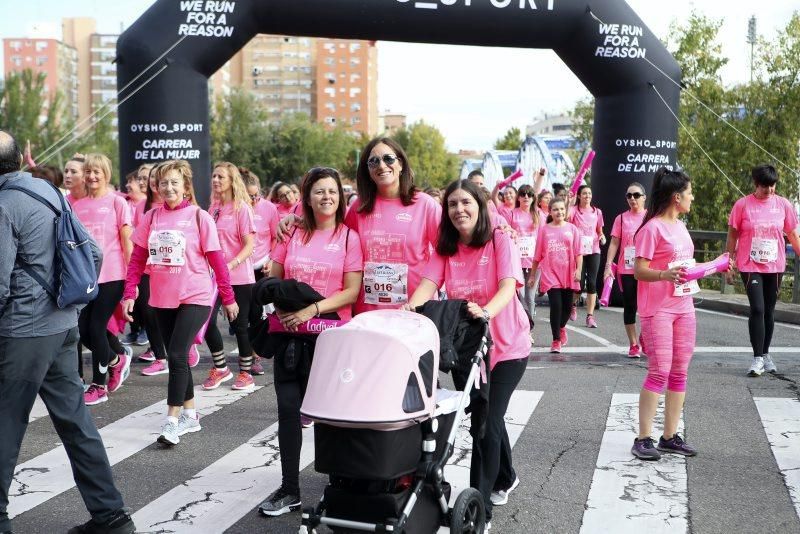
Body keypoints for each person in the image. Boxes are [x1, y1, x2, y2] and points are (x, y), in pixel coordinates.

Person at [0, 130, 136, 534]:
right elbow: (92, 252)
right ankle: (111, 515)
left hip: (23, 331)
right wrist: (68, 305)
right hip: (62, 325)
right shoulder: (49, 192)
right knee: (76, 424)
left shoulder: (4, 205)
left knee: (5, 425)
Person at [406, 179, 530, 530]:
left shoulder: (499, 239)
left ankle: (479, 509)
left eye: (466, 202)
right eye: (452, 204)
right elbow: (429, 285)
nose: (459, 209)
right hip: (468, 347)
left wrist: (487, 310)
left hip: (507, 346)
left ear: (480, 205)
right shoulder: (445, 248)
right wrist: (410, 307)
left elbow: (508, 285)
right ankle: (505, 476)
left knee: (485, 423)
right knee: (486, 416)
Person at [257, 167, 363, 517]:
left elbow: (351, 291)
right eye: (319, 191)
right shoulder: (292, 232)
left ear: (341, 197)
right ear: (308, 197)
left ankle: (338, 488)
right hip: (288, 336)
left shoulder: (349, 237)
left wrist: (311, 310)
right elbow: (273, 279)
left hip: (331, 339)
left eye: (332, 191)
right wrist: (288, 306)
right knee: (288, 413)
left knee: (332, 418)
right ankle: (290, 490)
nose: (326, 197)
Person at [122, 160, 239, 446]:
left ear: (185, 186)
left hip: (195, 295)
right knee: (180, 356)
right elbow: (137, 259)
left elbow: (217, 262)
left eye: (174, 182)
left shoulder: (199, 217)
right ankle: (191, 415)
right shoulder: (151, 217)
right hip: (162, 298)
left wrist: (228, 297)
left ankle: (171, 421)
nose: (168, 188)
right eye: (163, 183)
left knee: (175, 355)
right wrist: (129, 293)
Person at [631, 168, 698, 461]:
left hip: (684, 307)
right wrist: (664, 274)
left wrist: (718, 266)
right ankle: (643, 438)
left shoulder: (681, 227)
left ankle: (669, 437)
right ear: (677, 196)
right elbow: (638, 270)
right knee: (659, 371)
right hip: (657, 310)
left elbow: (685, 268)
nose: (692, 197)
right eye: (690, 192)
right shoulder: (651, 229)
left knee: (680, 371)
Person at [726, 164, 800, 376]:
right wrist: (727, 263)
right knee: (757, 308)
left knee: (768, 310)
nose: (770, 190)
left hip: (775, 265)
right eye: (765, 186)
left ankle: (766, 354)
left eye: (773, 185)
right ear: (755, 184)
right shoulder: (742, 205)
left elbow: (792, 235)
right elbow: (732, 235)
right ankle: (757, 358)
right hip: (750, 263)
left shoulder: (783, 205)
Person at [72, 153, 134, 405]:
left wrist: (133, 282)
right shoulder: (77, 206)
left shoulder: (118, 203)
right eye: (88, 171)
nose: (92, 176)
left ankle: (98, 385)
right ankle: (116, 359)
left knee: (97, 327)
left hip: (113, 274)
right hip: (85, 277)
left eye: (97, 171)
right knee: (83, 331)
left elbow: (127, 243)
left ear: (106, 174)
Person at [202, 162, 260, 390]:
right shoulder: (212, 209)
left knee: (239, 325)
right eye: (214, 176)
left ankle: (246, 372)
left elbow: (249, 245)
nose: (215, 180)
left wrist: (231, 263)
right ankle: (220, 367)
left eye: (220, 177)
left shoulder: (242, 209)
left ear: (231, 181)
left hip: (239, 278)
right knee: (205, 322)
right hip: (213, 278)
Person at [528, 198, 582, 353]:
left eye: (562, 209)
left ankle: (562, 327)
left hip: (568, 272)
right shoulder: (544, 230)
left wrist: (578, 270)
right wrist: (532, 276)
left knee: (566, 306)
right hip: (551, 274)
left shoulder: (572, 229)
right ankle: (556, 340)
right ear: (550, 211)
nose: (559, 212)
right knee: (556, 306)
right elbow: (537, 256)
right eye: (556, 209)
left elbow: (579, 252)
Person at [605, 183, 647, 357]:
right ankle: (634, 343)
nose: (632, 199)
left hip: (646, 269)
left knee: (647, 307)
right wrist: (608, 265)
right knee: (630, 306)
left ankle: (645, 337)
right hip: (627, 269)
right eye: (629, 196)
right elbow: (614, 242)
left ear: (644, 197)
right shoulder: (621, 218)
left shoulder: (650, 217)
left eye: (636, 195)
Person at [501, 183, 541, 337]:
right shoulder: (512, 214)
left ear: (533, 198)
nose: (526, 197)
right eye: (523, 194)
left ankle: (528, 331)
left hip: (534, 262)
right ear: (518, 197)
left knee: (531, 297)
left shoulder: (538, 214)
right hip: (516, 262)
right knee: (520, 296)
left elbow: (543, 237)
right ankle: (520, 327)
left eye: (529, 195)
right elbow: (506, 233)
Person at [568, 185, 606, 327]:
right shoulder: (573, 210)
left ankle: (590, 316)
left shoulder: (597, 212)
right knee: (579, 283)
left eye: (589, 193)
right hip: (578, 251)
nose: (587, 196)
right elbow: (566, 222)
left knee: (591, 283)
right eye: (584, 193)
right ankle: (573, 304)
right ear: (579, 196)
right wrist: (568, 201)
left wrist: (602, 237)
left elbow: (599, 230)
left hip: (594, 249)